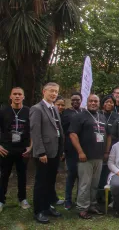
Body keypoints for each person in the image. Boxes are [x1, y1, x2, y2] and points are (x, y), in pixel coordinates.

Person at [69, 94, 110, 219]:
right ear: (87, 102)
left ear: (99, 103)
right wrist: (80, 152)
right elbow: (73, 135)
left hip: (98, 157)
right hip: (85, 157)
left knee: (94, 183)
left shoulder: (101, 116)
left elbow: (107, 135)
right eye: (91, 101)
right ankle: (82, 208)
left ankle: (92, 205)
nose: (93, 103)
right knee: (85, 183)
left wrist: (106, 152)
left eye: (96, 101)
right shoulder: (79, 116)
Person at [30, 82, 65, 224]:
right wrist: (40, 152)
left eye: (56, 91)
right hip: (44, 153)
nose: (54, 94)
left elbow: (58, 130)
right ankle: (38, 210)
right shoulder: (37, 109)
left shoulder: (54, 109)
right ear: (44, 91)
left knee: (50, 181)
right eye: (51, 91)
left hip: (55, 151)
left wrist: (61, 150)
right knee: (41, 182)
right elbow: (35, 132)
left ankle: (47, 206)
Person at [0, 87, 32, 213]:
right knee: (4, 175)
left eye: (20, 94)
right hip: (6, 149)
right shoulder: (3, 111)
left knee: (22, 175)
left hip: (23, 149)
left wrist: (31, 146)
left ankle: (22, 199)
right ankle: (1, 200)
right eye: (15, 94)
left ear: (23, 97)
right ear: (11, 96)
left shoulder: (29, 111)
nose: (17, 96)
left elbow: (33, 130)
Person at [61, 92, 83, 210]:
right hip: (70, 149)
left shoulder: (84, 112)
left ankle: (79, 198)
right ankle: (67, 200)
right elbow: (64, 133)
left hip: (83, 148)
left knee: (82, 176)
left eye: (78, 100)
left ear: (81, 100)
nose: (75, 102)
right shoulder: (66, 113)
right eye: (73, 99)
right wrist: (63, 150)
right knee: (71, 175)